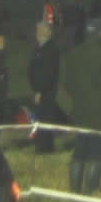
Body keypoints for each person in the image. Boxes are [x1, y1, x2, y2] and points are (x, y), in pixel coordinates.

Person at [59, 18, 101, 194]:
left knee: (79, 152)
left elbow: (67, 83)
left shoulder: (75, 53)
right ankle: (90, 192)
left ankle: (75, 191)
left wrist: (79, 99)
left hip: (80, 111)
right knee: (97, 154)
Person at [27, 20, 64, 153]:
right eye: (37, 30)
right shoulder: (38, 47)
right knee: (39, 118)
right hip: (38, 89)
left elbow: (48, 73)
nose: (37, 33)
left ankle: (45, 148)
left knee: (45, 118)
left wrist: (39, 91)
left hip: (46, 91)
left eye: (40, 30)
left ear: (47, 32)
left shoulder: (50, 49)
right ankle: (40, 144)